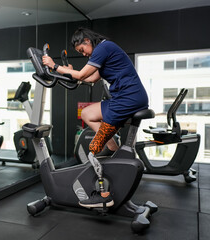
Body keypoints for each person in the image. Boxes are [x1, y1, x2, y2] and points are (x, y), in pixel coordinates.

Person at [42, 27, 148, 208]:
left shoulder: (103, 48)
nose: (84, 54)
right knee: (87, 114)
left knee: (94, 148)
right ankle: (114, 152)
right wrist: (66, 72)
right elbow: (90, 79)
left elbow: (82, 74)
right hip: (128, 98)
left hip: (127, 100)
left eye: (82, 50)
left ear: (86, 41)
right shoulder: (104, 52)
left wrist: (54, 66)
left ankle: (104, 195)